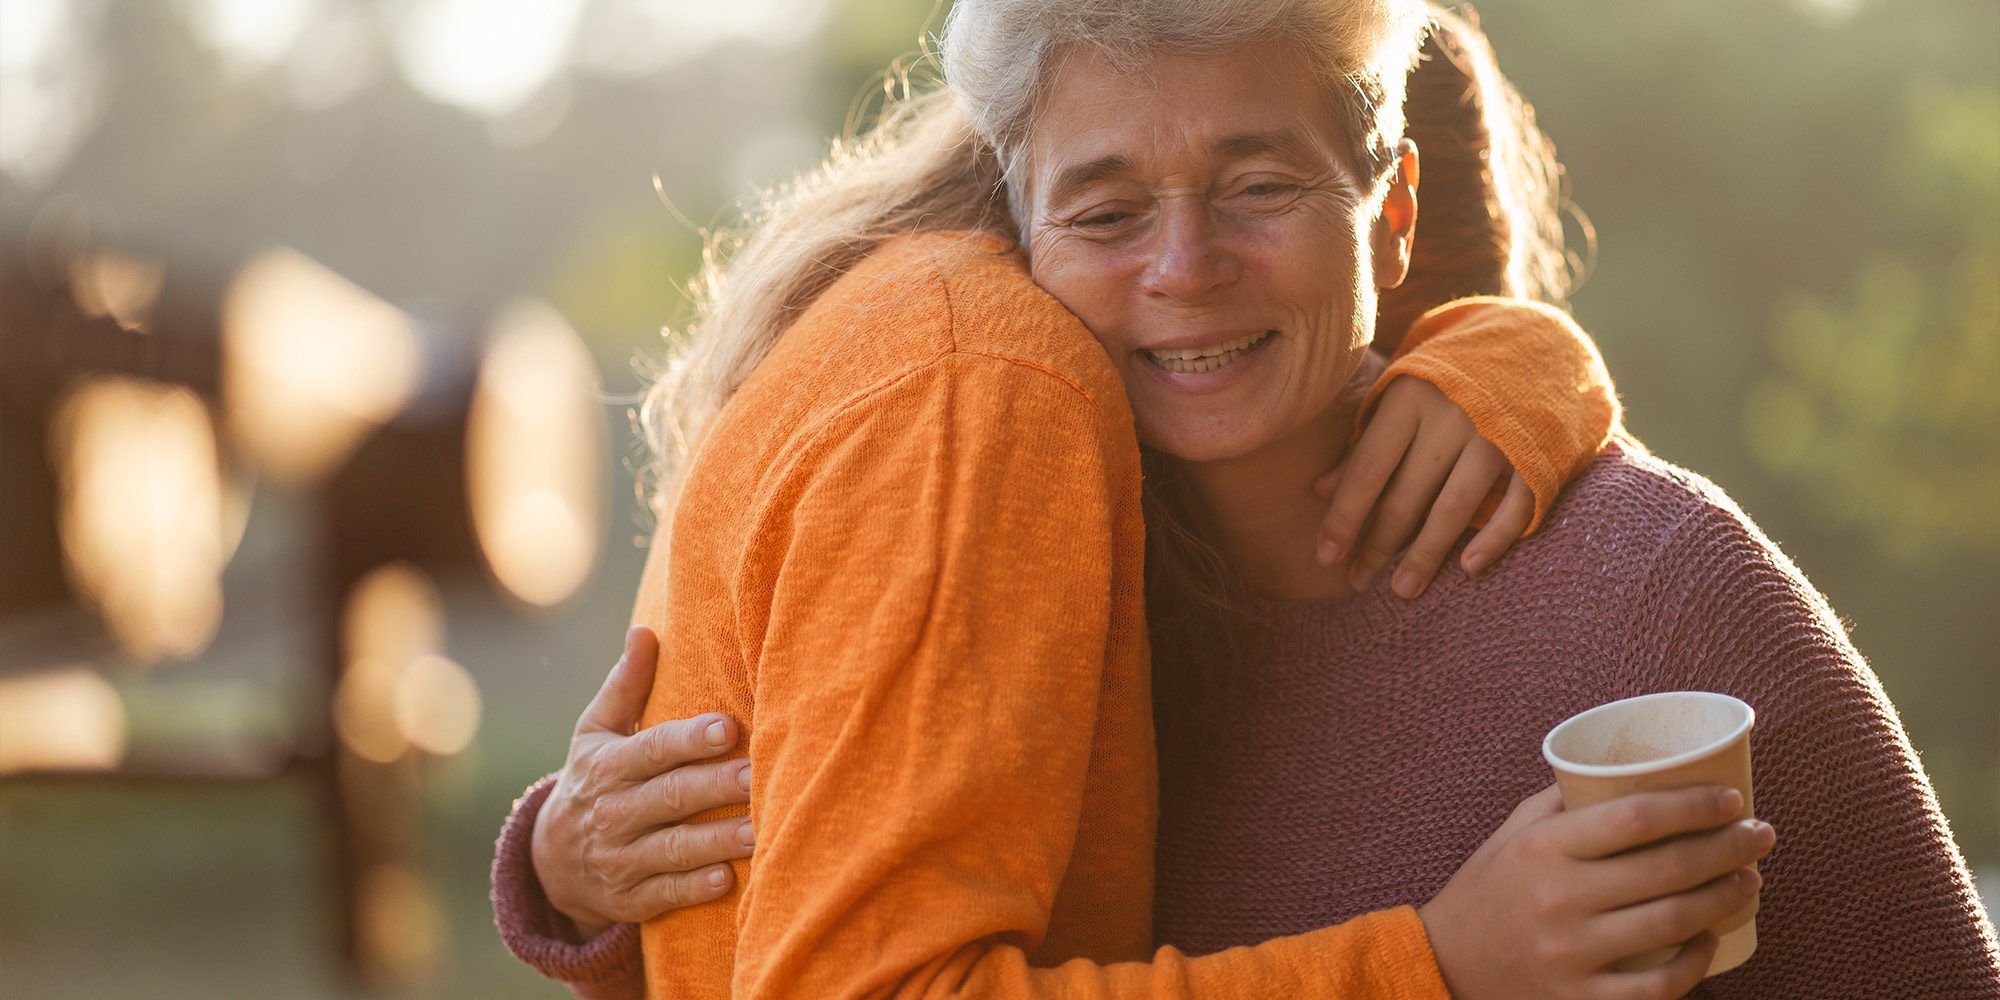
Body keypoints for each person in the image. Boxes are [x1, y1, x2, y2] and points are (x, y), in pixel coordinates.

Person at [493, 2, 2000, 997]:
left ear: (1391, 212)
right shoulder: (1026, 585)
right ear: (1015, 231)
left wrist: (1531, 353)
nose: (1184, 267)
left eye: (1261, 185)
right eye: (1104, 210)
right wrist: (578, 872)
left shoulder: (1652, 596)